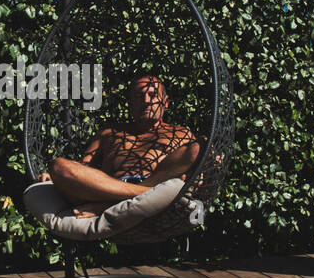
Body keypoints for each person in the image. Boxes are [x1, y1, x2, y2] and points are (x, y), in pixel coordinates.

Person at [39, 75, 203, 218]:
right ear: (131, 105)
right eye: (139, 96)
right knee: (58, 166)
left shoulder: (181, 134)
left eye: (152, 95)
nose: (146, 101)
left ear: (165, 103)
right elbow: (84, 167)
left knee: (200, 147)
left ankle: (115, 203)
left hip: (156, 186)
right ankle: (135, 196)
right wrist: (55, 177)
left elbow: (196, 171)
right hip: (113, 190)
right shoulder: (108, 133)